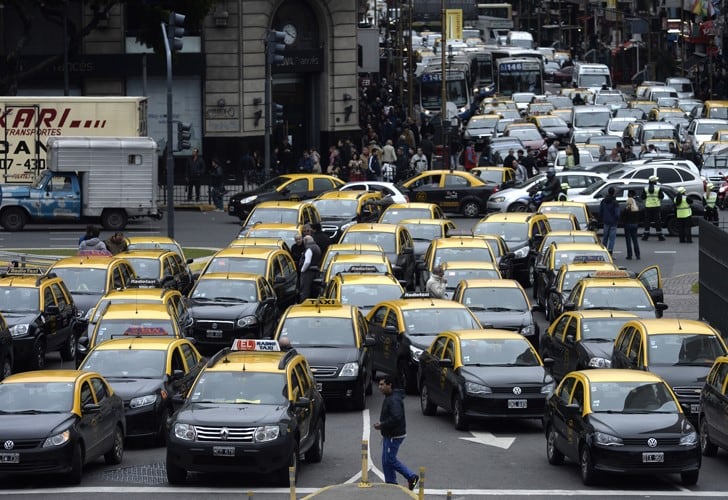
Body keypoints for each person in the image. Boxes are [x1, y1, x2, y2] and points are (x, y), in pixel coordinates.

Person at [374, 376, 419, 491]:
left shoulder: (393, 400)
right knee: (385, 461)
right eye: (379, 384)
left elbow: (396, 418)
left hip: (394, 435)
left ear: (390, 385)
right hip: (389, 434)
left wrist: (382, 425)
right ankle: (391, 485)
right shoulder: (390, 397)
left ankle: (411, 477)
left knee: (389, 460)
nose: (380, 387)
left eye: (382, 384)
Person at [641, 175, 665, 241]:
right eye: (656, 180)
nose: (657, 181)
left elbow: (642, 197)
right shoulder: (658, 188)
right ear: (654, 181)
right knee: (657, 221)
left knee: (647, 221)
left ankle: (645, 235)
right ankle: (660, 236)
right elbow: (662, 196)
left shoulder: (645, 188)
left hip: (648, 206)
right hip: (656, 206)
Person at [298, 235, 321, 301]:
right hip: (315, 272)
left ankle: (304, 304)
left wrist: (302, 270)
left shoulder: (309, 248)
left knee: (305, 290)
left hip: (308, 273)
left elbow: (307, 261)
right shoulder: (317, 247)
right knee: (313, 290)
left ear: (305, 241)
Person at [600, 187, 621, 254]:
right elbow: (617, 213)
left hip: (606, 221)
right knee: (612, 239)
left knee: (605, 237)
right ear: (613, 193)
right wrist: (617, 219)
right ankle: (610, 252)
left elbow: (601, 211)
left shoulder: (603, 201)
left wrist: (603, 218)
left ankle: (604, 251)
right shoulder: (615, 202)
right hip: (613, 222)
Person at [622, 189, 641, 260]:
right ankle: (637, 255)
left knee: (628, 241)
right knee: (635, 240)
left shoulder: (626, 210)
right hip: (635, 225)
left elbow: (623, 218)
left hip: (627, 225)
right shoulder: (636, 209)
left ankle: (629, 255)